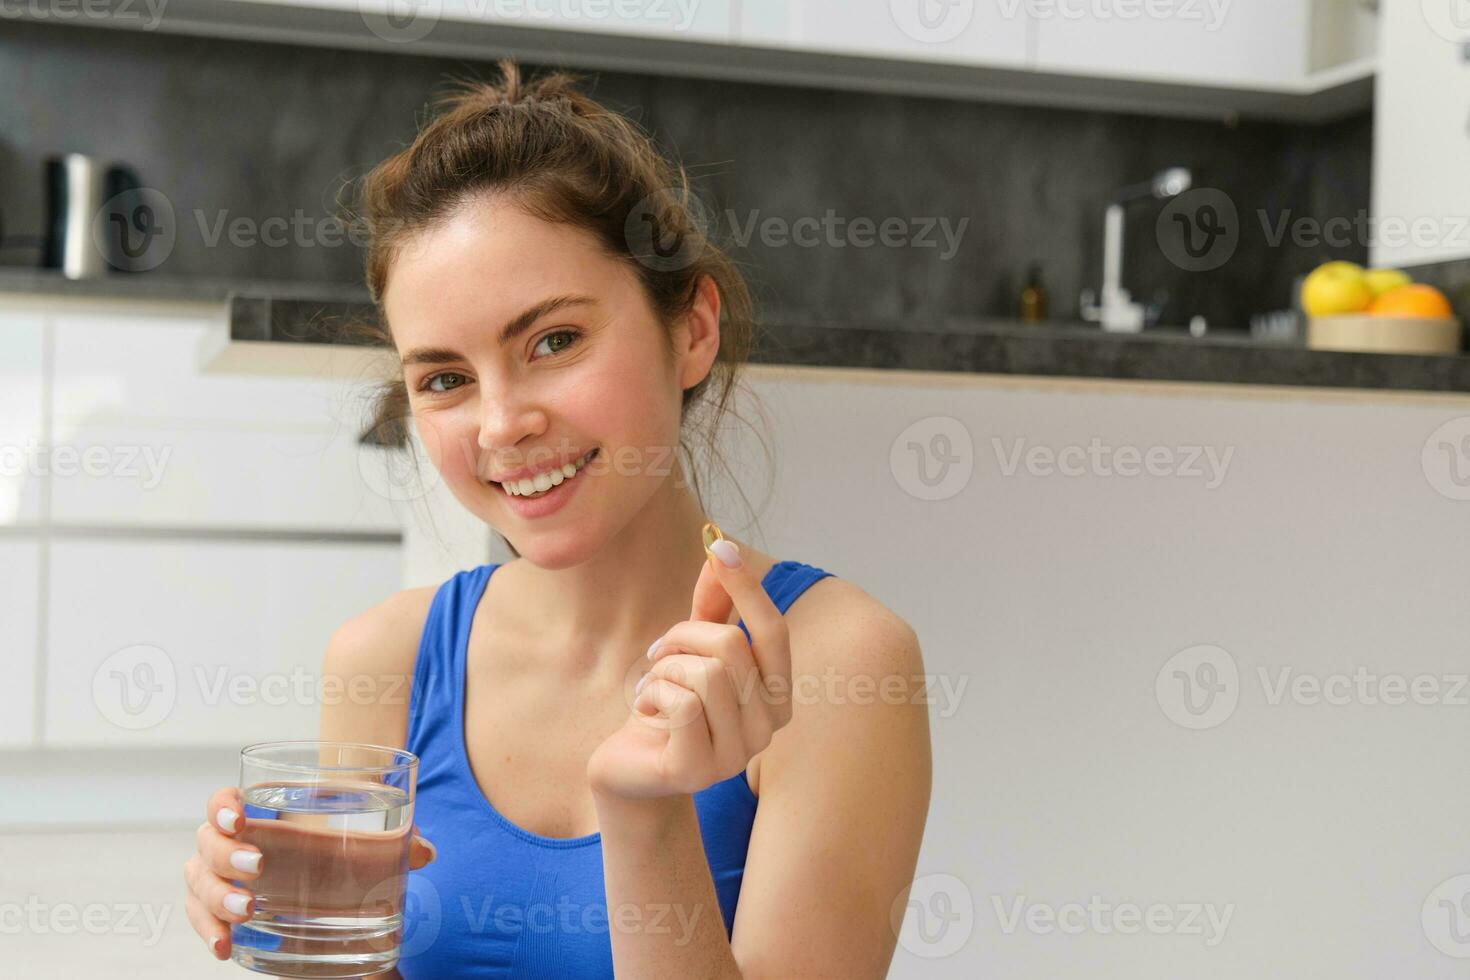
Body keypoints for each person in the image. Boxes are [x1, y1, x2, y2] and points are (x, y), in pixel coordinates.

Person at [182, 59, 931, 978]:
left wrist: (642, 809)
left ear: (691, 330)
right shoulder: (385, 661)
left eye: (554, 341)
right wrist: (292, 933)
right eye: (446, 379)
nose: (503, 424)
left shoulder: (834, 663)